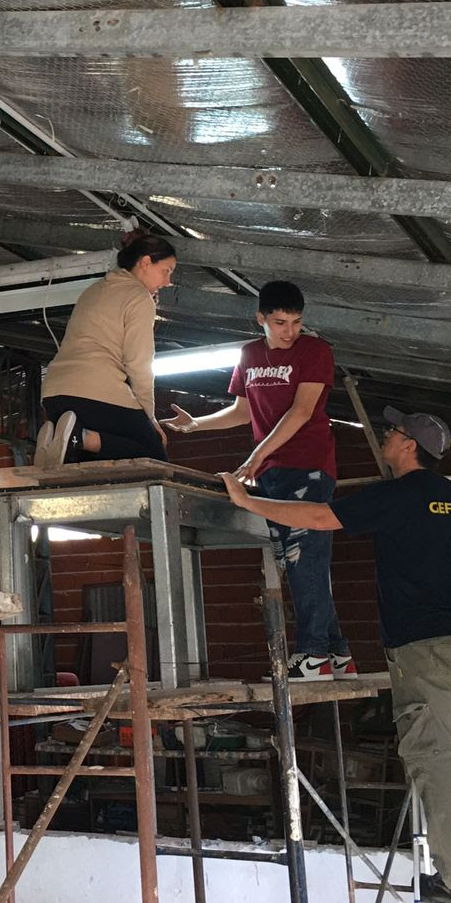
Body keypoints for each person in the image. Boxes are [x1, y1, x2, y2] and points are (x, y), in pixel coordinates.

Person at [221, 408, 451, 903]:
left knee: (439, 760)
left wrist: (247, 500)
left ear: (409, 446)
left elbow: (320, 518)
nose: (384, 436)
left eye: (392, 432)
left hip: (422, 645)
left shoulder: (399, 494)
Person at [165, 280, 353, 680]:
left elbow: (302, 411)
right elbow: (243, 411)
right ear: (260, 319)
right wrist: (196, 424)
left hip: (307, 466)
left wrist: (255, 456)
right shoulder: (250, 354)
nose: (290, 331)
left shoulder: (315, 351)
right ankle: (338, 654)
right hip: (270, 470)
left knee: (305, 558)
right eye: (280, 323)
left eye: (296, 322)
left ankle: (314, 655)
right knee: (297, 561)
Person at [33, 232, 176, 471]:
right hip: (93, 393)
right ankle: (80, 437)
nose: (168, 281)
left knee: (99, 456)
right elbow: (139, 363)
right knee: (153, 453)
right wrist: (149, 417)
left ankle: (62, 441)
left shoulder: (94, 290)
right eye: (166, 271)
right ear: (145, 262)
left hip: (54, 395)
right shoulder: (139, 297)